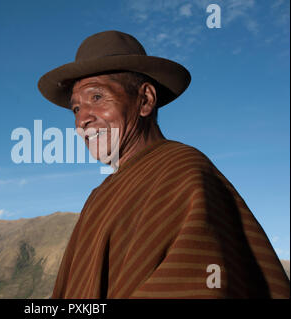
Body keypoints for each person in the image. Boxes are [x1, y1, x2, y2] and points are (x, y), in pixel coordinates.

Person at [37, 30, 289, 298]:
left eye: (97, 98)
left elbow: (198, 284)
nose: (81, 120)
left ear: (145, 100)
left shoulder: (184, 171)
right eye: (76, 108)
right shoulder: (98, 197)